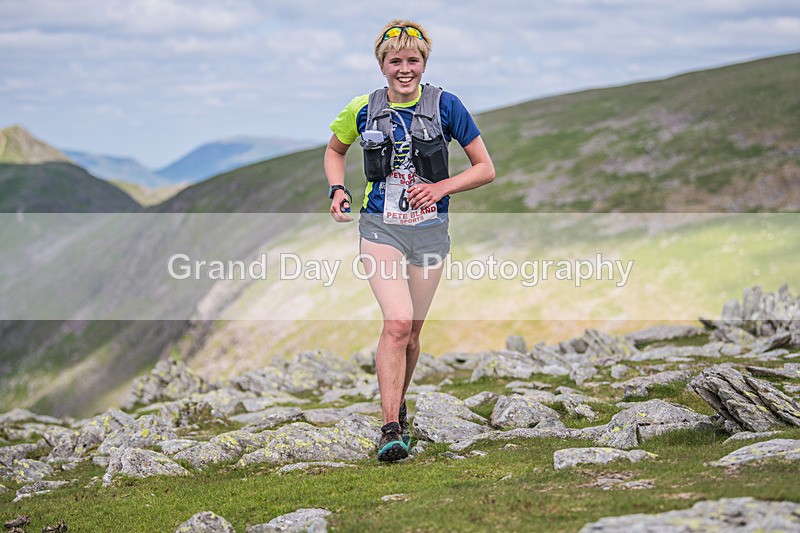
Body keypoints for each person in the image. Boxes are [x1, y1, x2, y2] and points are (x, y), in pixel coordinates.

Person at [324, 20, 494, 462]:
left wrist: (441, 188)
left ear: (424, 63)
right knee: (397, 322)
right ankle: (390, 429)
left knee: (413, 334)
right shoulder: (363, 108)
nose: (404, 69)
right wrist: (337, 189)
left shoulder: (446, 105)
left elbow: (485, 168)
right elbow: (334, 150)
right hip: (381, 226)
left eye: (412, 60)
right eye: (394, 60)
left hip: (431, 230)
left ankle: (397, 401)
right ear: (381, 64)